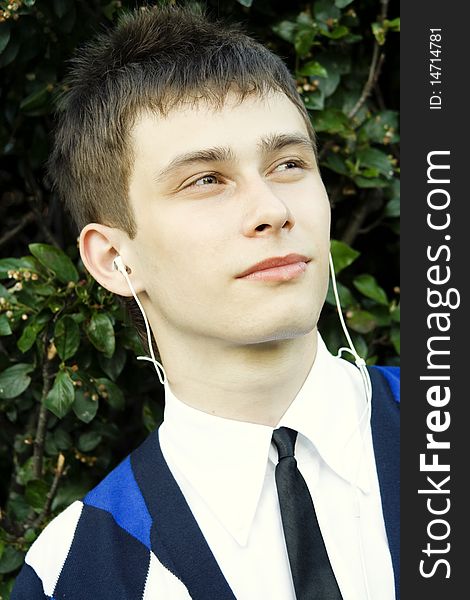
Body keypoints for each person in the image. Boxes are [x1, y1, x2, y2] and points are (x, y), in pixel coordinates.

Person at [12, 5, 399, 600]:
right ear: (115, 259)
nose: (272, 208)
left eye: (290, 164)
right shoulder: (80, 571)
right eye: (206, 180)